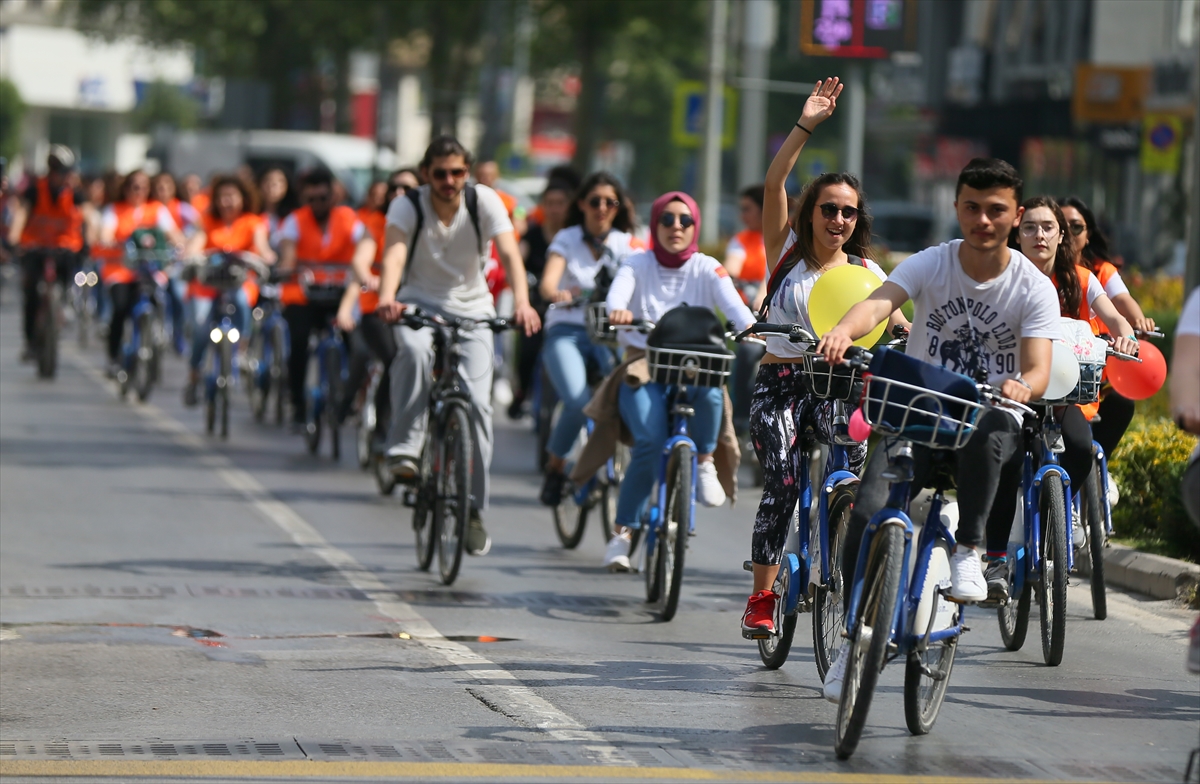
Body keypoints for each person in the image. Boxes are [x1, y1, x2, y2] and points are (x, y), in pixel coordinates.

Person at [817, 158, 1061, 700]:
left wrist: (1025, 385)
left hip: (986, 417)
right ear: (956, 208)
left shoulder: (1033, 288)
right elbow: (878, 304)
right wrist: (841, 331)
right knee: (866, 512)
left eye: (996, 210)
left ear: (1014, 215)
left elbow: (1040, 367)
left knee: (992, 424)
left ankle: (969, 551)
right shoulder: (932, 263)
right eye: (972, 208)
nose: (983, 220)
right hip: (917, 415)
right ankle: (854, 637)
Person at [740, 78, 909, 638]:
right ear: (810, 212)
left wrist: (906, 328)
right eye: (829, 209)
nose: (839, 220)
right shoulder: (784, 255)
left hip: (839, 387)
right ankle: (763, 596)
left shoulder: (869, 275)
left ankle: (849, 576)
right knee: (785, 479)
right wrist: (806, 123)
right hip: (780, 383)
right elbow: (773, 183)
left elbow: (895, 316)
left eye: (850, 213)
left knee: (849, 481)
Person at [374, 136, 541, 557]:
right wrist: (387, 296)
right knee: (412, 352)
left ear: (467, 173)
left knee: (479, 407)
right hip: (418, 302)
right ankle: (405, 448)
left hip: (474, 309)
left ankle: (472, 511)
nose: (449, 181)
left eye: (457, 173)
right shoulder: (407, 204)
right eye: (440, 174)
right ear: (426, 173)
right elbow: (393, 255)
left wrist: (522, 303)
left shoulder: (484, 201)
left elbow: (510, 254)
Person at [601, 192, 756, 571]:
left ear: (695, 227)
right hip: (644, 363)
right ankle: (622, 534)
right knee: (649, 441)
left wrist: (751, 328)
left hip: (696, 364)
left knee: (711, 388)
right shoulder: (637, 263)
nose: (675, 227)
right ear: (654, 225)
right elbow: (615, 295)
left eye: (685, 221)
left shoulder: (707, 266)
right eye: (666, 220)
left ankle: (703, 460)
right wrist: (617, 311)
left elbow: (734, 305)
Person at [1013, 196, 1137, 511]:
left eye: (1047, 227)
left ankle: (1064, 510)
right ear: (1017, 234)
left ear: (1061, 235)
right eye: (1029, 228)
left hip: (1063, 393)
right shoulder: (1004, 278)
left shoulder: (1082, 279)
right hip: (1015, 392)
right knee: (1004, 456)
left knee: (1081, 449)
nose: (1039, 235)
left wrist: (1125, 337)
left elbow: (1116, 318)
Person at [537, 172, 638, 506]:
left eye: (610, 202)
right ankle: (556, 467)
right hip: (567, 330)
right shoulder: (567, 239)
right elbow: (548, 283)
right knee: (579, 401)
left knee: (632, 395)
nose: (602, 208)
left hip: (610, 336)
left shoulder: (625, 243)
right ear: (581, 204)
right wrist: (559, 292)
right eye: (594, 201)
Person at [277, 166, 376, 430]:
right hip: (303, 296)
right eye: (311, 199)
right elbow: (288, 252)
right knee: (298, 342)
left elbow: (363, 246)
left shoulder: (348, 219)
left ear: (333, 197)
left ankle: (347, 399)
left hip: (340, 295)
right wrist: (286, 269)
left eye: (323, 198)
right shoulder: (294, 221)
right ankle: (298, 403)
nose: (317, 205)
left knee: (357, 347)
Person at [1060, 197, 1154, 462]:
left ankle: (1098, 467)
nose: (1068, 235)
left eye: (1076, 227)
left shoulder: (1094, 274)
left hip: (1092, 369)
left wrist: (1135, 325)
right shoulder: (1032, 272)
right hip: (1049, 371)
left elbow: (1121, 303)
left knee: (1120, 405)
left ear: (1089, 235)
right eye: (1061, 227)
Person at [182, 174, 274, 406]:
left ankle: (242, 349)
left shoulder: (253, 222)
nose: (227, 202)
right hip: (207, 286)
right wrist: (191, 256)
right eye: (222, 197)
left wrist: (268, 258)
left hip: (239, 283)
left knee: (242, 302)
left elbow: (263, 247)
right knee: (202, 329)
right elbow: (196, 244)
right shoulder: (207, 221)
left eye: (232, 196)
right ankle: (194, 376)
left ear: (243, 199)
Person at [334, 171, 411, 435]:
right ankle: (381, 425)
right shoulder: (376, 224)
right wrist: (369, 277)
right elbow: (360, 263)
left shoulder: (425, 223)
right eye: (395, 188)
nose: (400, 193)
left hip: (415, 306)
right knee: (389, 356)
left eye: (408, 188)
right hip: (376, 307)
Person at [97, 169, 183, 374]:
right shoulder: (115, 209)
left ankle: (160, 337)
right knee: (120, 308)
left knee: (166, 298)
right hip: (121, 270)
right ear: (125, 188)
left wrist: (180, 246)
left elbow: (174, 234)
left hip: (151, 270)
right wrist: (109, 240)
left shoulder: (157, 209)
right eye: (134, 186)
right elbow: (106, 232)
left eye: (144, 187)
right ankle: (113, 356)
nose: (139, 191)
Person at [6, 146, 86, 362]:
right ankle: (31, 342)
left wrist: (94, 236)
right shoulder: (35, 190)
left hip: (64, 248)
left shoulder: (75, 194)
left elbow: (89, 216)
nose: (64, 176)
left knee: (72, 274)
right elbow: (22, 214)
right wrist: (13, 240)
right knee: (31, 292)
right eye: (60, 171)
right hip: (36, 247)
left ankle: (67, 302)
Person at [509, 179, 573, 419]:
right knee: (528, 350)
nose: (555, 208)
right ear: (543, 206)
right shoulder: (533, 235)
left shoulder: (575, 237)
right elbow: (517, 259)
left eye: (561, 203)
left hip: (568, 308)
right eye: (550, 203)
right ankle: (521, 391)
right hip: (538, 306)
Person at [725, 184, 769, 436]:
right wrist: (729, 275)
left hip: (784, 316)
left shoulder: (789, 237)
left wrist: (764, 291)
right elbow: (732, 265)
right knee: (747, 352)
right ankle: (741, 416)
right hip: (751, 317)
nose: (742, 216)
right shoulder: (742, 240)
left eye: (747, 209)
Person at [258, 167, 298, 254]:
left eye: (280, 181)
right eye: (267, 180)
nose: (273, 185)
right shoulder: (251, 214)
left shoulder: (294, 217)